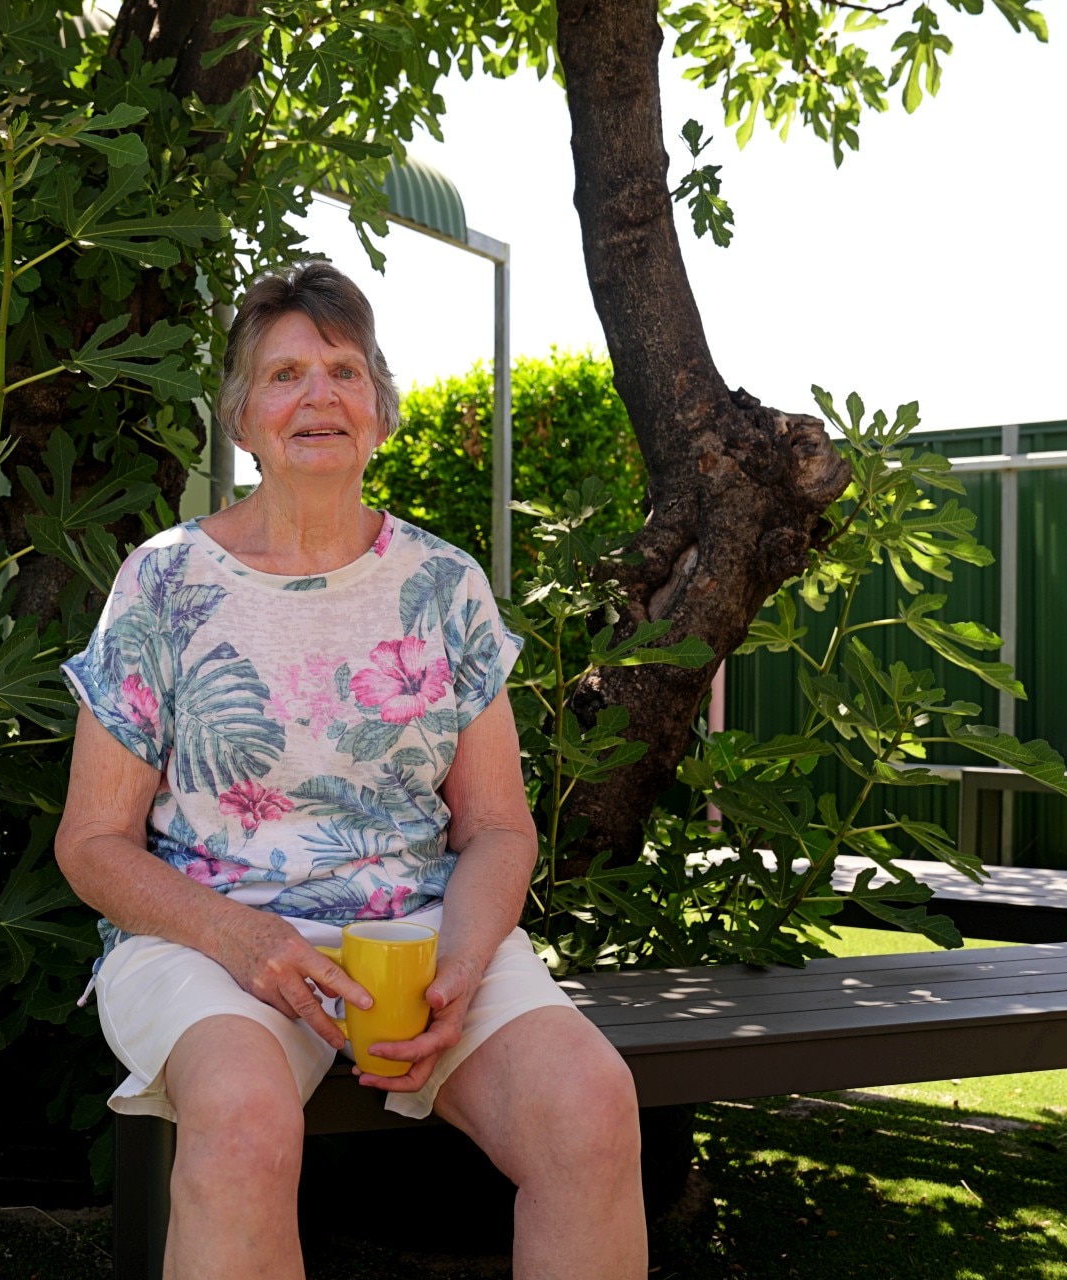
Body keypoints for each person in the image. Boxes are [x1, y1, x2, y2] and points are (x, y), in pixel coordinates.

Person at [56, 260, 644, 1279]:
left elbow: (498, 824)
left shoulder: (445, 583)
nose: (318, 394)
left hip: (418, 931)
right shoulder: (162, 581)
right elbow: (92, 842)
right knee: (240, 1127)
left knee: (591, 1106)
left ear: (378, 406)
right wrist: (248, 940)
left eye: (342, 368)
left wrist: (462, 961)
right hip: (209, 932)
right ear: (241, 417)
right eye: (284, 374)